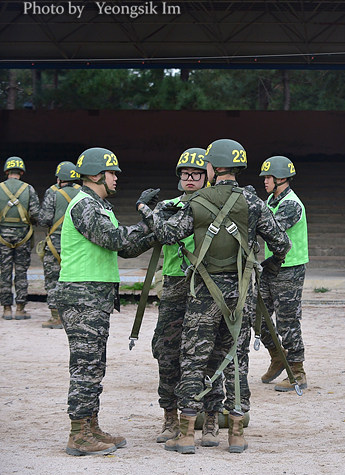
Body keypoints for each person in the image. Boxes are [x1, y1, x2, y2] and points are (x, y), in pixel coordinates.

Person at [141, 138, 290, 454]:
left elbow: (167, 234)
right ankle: (235, 434)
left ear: (212, 167)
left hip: (203, 295)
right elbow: (283, 243)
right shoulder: (254, 203)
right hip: (240, 297)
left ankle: (186, 435)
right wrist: (261, 265)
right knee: (236, 359)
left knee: (194, 359)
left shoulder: (197, 202)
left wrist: (146, 210)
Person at [56, 147, 156, 456]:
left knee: (94, 364)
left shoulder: (100, 206)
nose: (116, 178)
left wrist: (155, 229)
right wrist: (148, 220)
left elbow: (125, 250)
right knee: (85, 367)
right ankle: (78, 434)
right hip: (82, 296)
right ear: (97, 174)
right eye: (112, 173)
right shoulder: (85, 205)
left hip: (92, 297)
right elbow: (115, 239)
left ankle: (90, 425)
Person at [151, 148, 224, 447]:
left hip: (206, 285)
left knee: (209, 353)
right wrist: (152, 212)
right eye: (185, 174)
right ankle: (170, 417)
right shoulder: (168, 206)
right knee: (166, 352)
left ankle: (210, 420)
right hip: (175, 285)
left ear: (207, 175)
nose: (190, 179)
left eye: (196, 174)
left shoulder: (215, 206)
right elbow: (153, 235)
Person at [257, 155, 310, 392]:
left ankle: (297, 372)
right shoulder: (272, 200)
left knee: (287, 321)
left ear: (282, 179)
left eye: (269, 177)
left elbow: (270, 228)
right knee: (257, 316)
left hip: (290, 268)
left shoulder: (291, 204)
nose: (265, 181)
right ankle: (278, 357)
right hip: (272, 266)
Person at [37, 161, 81, 329]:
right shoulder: (82, 192)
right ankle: (74, 315)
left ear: (59, 178)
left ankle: (56, 317)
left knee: (53, 280)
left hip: (55, 244)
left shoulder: (52, 192)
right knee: (76, 280)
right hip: (76, 244)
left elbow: (44, 220)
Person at [0, 156, 40, 320]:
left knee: (4, 272)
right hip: (23, 236)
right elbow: (36, 214)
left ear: (7, 171)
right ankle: (20, 308)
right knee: (22, 273)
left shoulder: (0, 188)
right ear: (21, 172)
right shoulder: (28, 189)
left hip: (2, 238)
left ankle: (6, 309)